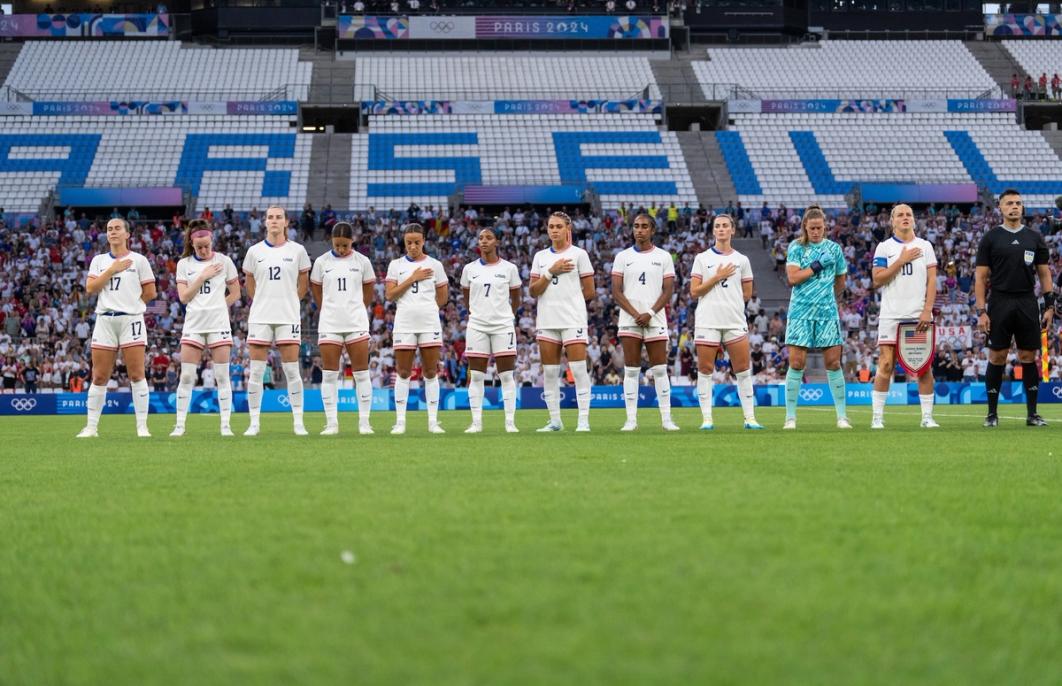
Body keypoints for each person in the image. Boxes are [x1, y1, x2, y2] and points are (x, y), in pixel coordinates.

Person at [975, 189, 1055, 427]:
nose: (1014, 206)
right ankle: (991, 414)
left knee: (1028, 356)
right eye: (1009, 203)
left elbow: (1044, 273)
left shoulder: (1034, 237)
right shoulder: (990, 238)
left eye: (1018, 203)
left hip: (1027, 301)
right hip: (999, 301)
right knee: (997, 356)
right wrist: (981, 311)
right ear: (1000, 207)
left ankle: (1032, 414)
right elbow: (980, 278)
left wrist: (1049, 305)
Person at [77, 218, 157, 438]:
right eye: (109, 229)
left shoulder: (139, 260)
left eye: (117, 228)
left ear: (127, 234)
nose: (112, 232)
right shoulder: (99, 261)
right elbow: (91, 288)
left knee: (137, 374)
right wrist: (112, 269)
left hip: (131, 320)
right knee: (100, 376)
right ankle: (91, 427)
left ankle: (142, 427)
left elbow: (151, 292)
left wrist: (133, 305)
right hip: (105, 320)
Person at [242, 205, 311, 436]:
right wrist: (262, 300)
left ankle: (298, 422)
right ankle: (254, 423)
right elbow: (250, 284)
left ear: (286, 222)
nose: (274, 221)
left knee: (292, 371)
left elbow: (303, 284)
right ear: (264, 222)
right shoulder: (254, 252)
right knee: (256, 372)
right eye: (270, 217)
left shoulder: (298, 250)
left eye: (278, 217)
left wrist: (291, 300)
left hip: (287, 316)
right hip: (260, 316)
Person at [689, 213, 763, 430]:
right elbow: (694, 291)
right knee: (705, 370)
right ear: (713, 231)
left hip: (734, 320)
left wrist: (728, 302)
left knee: (742, 369)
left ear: (732, 230)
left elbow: (747, 293)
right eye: (717, 226)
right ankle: (707, 419)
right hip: (707, 321)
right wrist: (717, 277)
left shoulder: (742, 260)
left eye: (725, 226)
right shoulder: (702, 259)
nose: (721, 229)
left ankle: (750, 418)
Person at [869, 204, 939, 429]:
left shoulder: (925, 246)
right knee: (886, 364)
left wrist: (927, 310)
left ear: (914, 220)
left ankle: (927, 417)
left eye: (909, 214)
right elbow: (877, 279)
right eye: (900, 215)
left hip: (917, 315)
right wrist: (901, 260)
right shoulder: (884, 247)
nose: (905, 217)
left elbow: (932, 281)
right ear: (892, 221)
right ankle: (877, 417)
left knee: (924, 367)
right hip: (891, 315)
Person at [170, 219, 240, 437]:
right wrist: (202, 276)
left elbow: (236, 293)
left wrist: (219, 306)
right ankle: (180, 425)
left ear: (212, 240)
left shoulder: (225, 261)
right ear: (192, 244)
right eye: (198, 246)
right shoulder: (184, 265)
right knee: (187, 377)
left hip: (218, 324)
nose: (203, 250)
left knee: (222, 376)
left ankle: (226, 426)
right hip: (194, 324)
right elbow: (184, 297)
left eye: (206, 245)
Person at [782, 206, 850, 430]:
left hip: (826, 312)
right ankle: (790, 418)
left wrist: (831, 297)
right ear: (805, 227)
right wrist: (817, 265)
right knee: (796, 363)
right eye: (812, 228)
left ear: (825, 227)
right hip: (801, 311)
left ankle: (842, 417)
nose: (816, 232)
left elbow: (841, 280)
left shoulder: (834, 249)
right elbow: (793, 277)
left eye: (819, 228)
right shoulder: (796, 248)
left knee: (833, 363)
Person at [611, 213, 679, 431]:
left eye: (644, 226)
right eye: (636, 226)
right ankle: (631, 420)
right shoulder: (622, 256)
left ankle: (666, 419)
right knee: (631, 371)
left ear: (652, 230)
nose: (639, 230)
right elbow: (616, 291)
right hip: (629, 320)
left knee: (660, 370)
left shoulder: (664, 257)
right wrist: (635, 313)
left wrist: (649, 312)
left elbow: (668, 290)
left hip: (655, 318)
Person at [529, 212, 595, 432]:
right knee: (549, 372)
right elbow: (533, 291)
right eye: (550, 226)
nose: (554, 230)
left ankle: (583, 420)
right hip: (547, 320)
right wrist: (550, 272)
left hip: (572, 319)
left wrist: (570, 301)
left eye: (558, 226)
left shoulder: (579, 254)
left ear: (568, 228)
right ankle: (555, 421)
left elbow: (590, 291)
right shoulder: (540, 257)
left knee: (578, 370)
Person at [310, 221, 376, 436]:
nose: (341, 249)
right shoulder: (321, 262)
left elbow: (368, 293)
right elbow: (317, 292)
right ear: (331, 241)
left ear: (352, 241)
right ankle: (331, 423)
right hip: (330, 323)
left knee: (361, 374)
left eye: (345, 245)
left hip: (356, 322)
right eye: (337, 245)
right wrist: (328, 310)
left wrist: (355, 309)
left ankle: (364, 422)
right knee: (329, 375)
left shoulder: (363, 261)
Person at [385, 223, 449, 434]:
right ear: (404, 242)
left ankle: (433, 422)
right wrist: (412, 278)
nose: (412, 246)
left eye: (416, 242)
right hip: (404, 323)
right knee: (403, 372)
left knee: (430, 372)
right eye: (409, 243)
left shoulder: (435, 265)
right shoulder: (396, 265)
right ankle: (400, 422)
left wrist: (427, 309)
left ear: (423, 242)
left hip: (429, 322)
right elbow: (390, 295)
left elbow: (443, 297)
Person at [459, 227, 522, 433]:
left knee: (506, 376)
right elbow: (466, 297)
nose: (483, 241)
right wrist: (477, 314)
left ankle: (510, 422)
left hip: (503, 325)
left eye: (488, 238)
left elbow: (516, 298)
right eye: (480, 238)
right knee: (476, 376)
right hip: (477, 325)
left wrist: (505, 315)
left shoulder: (510, 268)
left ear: (497, 242)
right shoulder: (469, 269)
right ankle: (476, 423)